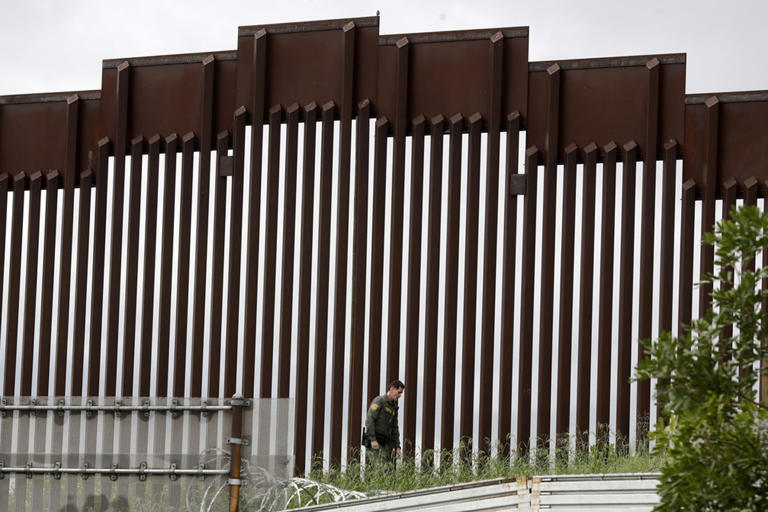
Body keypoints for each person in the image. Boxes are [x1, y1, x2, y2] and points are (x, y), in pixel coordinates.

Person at [365, 379, 405, 464]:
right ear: (392, 389)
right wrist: (373, 439)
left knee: (386, 470)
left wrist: (398, 446)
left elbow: (395, 428)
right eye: (399, 392)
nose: (400, 395)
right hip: (374, 442)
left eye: (401, 393)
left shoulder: (393, 407)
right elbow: (370, 420)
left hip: (384, 443)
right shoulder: (379, 401)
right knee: (380, 469)